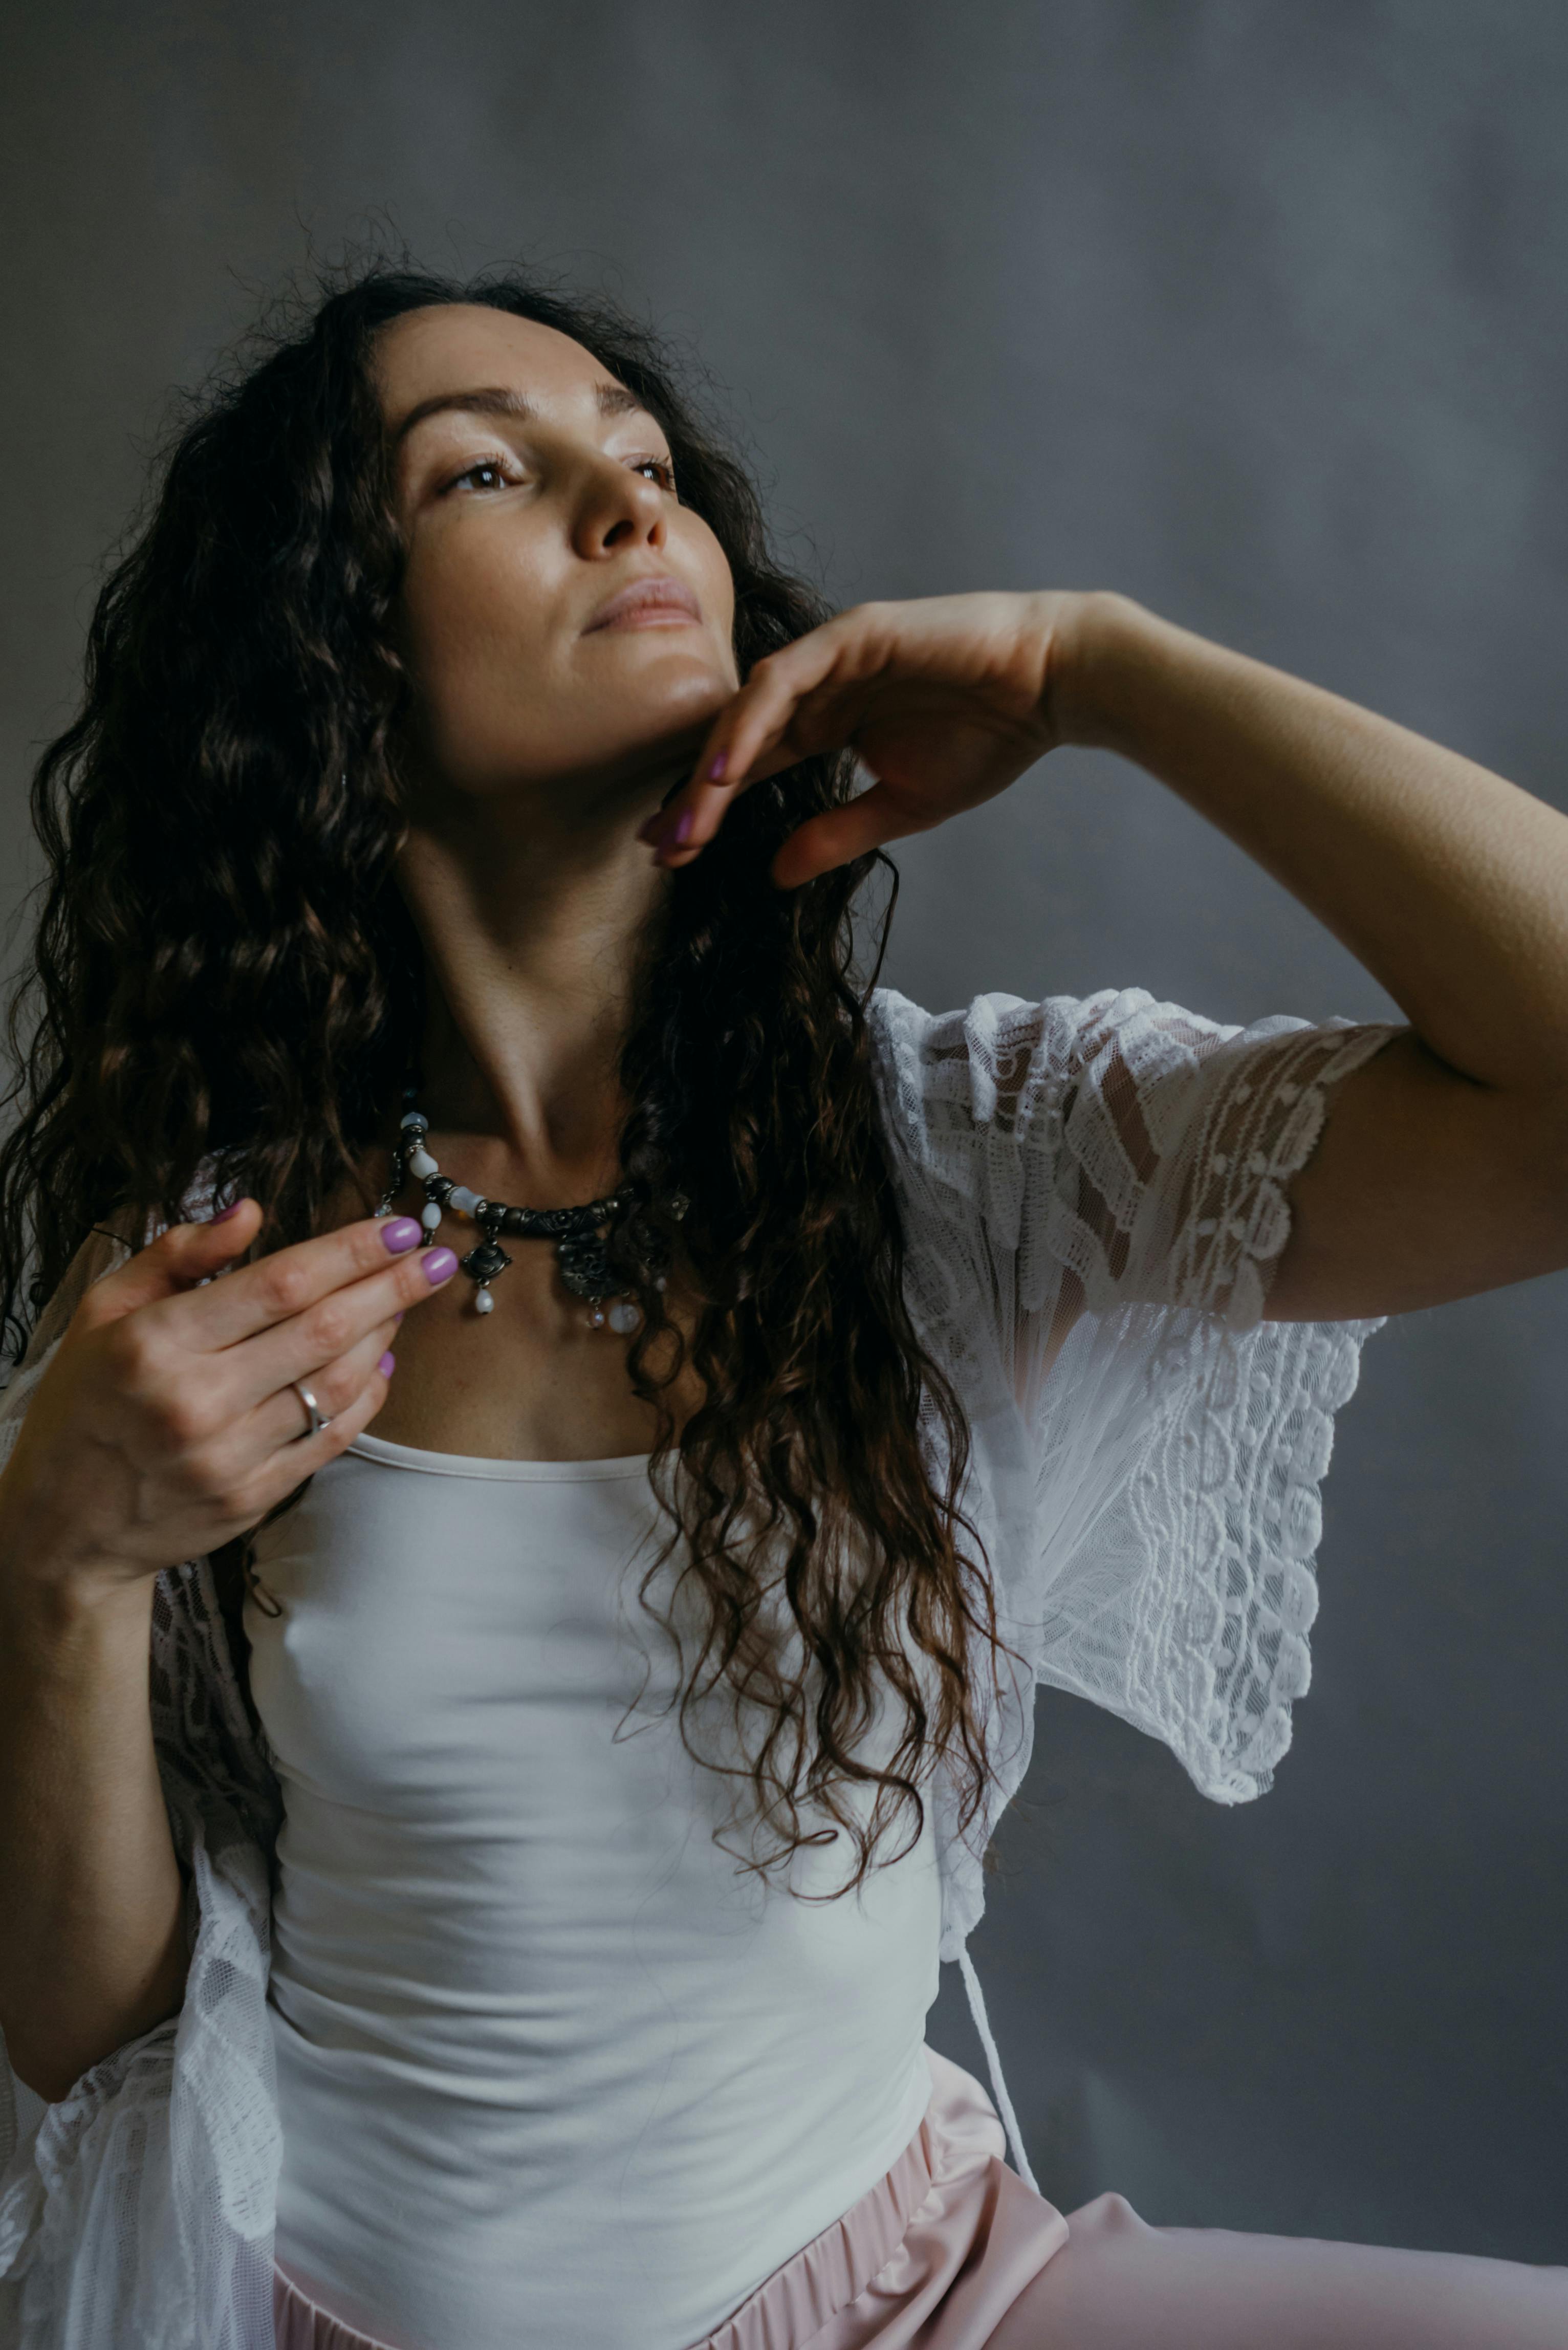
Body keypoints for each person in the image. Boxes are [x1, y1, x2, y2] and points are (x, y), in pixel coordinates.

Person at [0, 264, 1563, 2350]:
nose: (630, 507)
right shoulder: (207, 1277)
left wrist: (1108, 671)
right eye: (490, 466)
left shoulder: (972, 1160)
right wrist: (60, 1564)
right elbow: (92, 2037)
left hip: (924, 2296)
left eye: (648, 465)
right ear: (326, 647)